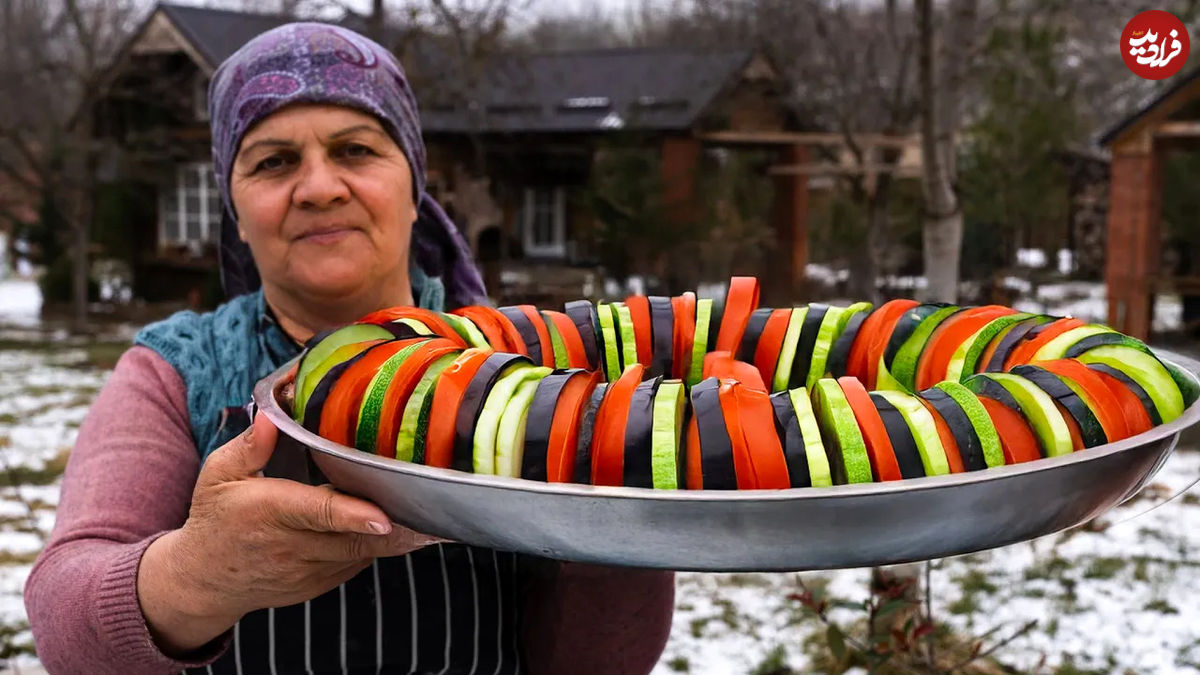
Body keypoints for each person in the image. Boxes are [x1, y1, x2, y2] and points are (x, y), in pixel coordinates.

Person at [24, 22, 674, 675]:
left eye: (356, 150)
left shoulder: (530, 369)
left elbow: (596, 661)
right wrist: (194, 577)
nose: (319, 187)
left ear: (415, 189)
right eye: (274, 161)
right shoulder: (177, 371)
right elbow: (63, 627)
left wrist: (609, 517)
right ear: (237, 213)